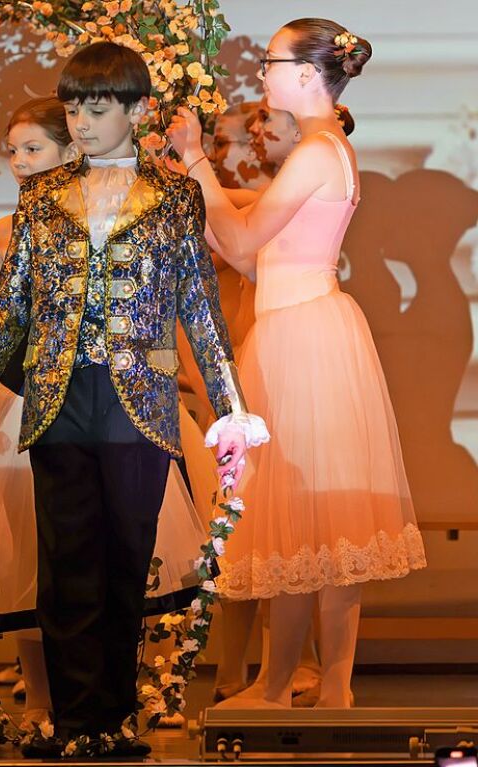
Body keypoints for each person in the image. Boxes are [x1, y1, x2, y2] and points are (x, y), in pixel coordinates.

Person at [0, 42, 267, 756]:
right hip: (58, 393)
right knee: (65, 561)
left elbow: (199, 308)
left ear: (136, 109)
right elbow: (10, 310)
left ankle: (115, 720)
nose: (83, 122)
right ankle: (72, 723)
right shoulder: (41, 196)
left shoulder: (173, 194)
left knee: (128, 556)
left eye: (97, 108)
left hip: (139, 397)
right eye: (73, 108)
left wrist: (232, 409)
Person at [168, 18, 425, 709]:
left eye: (271, 62)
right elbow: (255, 248)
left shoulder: (316, 149)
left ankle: (282, 683)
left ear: (309, 77)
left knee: (303, 509)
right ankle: (314, 684)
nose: (261, 74)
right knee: (309, 516)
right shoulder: (324, 147)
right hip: (303, 328)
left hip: (301, 338)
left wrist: (195, 160)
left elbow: (245, 241)